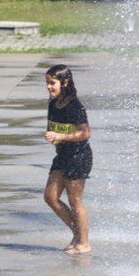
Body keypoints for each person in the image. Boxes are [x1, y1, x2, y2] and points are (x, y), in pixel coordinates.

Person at [43, 64, 92, 255]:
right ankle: (77, 233)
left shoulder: (74, 106)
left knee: (75, 200)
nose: (49, 87)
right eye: (47, 83)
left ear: (65, 82)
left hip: (79, 156)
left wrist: (60, 137)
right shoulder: (53, 102)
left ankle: (84, 243)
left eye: (52, 83)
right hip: (62, 155)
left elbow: (85, 133)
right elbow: (56, 128)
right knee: (50, 197)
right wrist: (53, 135)